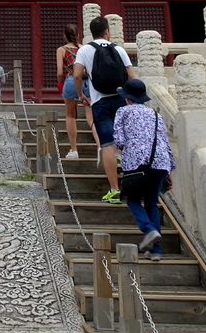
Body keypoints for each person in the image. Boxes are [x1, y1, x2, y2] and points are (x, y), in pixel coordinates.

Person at [73, 16, 135, 203]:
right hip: (120, 100)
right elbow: (131, 76)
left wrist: (81, 95)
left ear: (90, 33)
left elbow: (77, 75)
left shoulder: (85, 49)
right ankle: (131, 188)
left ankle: (114, 190)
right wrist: (131, 99)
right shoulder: (119, 49)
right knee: (125, 141)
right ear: (107, 31)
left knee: (106, 143)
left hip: (99, 102)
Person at [113, 78, 176, 261]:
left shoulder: (123, 112)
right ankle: (155, 251)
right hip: (160, 162)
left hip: (136, 162)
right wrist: (169, 170)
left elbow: (119, 140)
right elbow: (164, 141)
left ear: (127, 98)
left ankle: (148, 230)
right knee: (151, 202)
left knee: (132, 199)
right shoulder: (156, 115)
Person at [56, 23, 95, 159]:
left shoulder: (62, 50)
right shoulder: (86, 48)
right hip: (88, 82)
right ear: (78, 35)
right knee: (90, 117)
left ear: (65, 36)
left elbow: (60, 72)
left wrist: (60, 83)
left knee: (71, 115)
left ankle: (74, 150)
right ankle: (101, 145)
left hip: (72, 81)